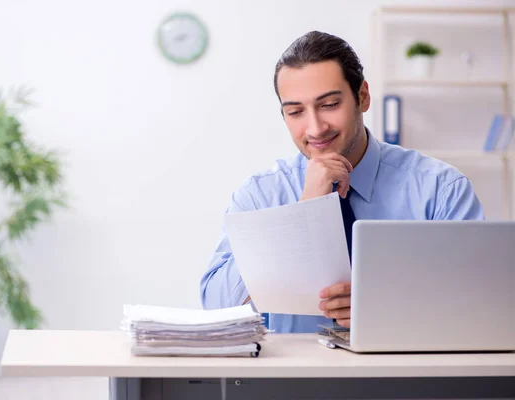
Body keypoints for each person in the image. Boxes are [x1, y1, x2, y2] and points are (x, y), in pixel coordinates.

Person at [200, 30, 484, 333]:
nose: (315, 128)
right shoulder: (260, 195)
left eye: (329, 105)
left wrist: (391, 307)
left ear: (362, 96)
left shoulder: (441, 191)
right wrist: (302, 213)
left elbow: (483, 304)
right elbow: (217, 305)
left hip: (406, 376)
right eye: (295, 112)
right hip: (290, 378)